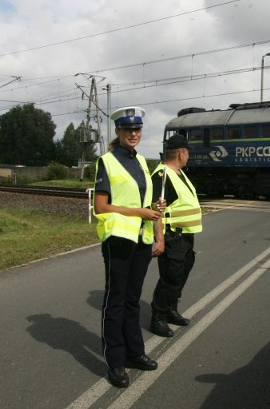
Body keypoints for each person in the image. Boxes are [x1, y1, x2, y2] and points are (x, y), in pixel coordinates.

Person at [93, 106, 165, 388]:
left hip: (141, 240)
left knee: (133, 300)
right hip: (119, 241)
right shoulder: (107, 162)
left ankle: (135, 352)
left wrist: (154, 210)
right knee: (116, 300)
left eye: (137, 129)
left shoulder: (142, 163)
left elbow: (142, 202)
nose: (133, 134)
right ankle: (115, 362)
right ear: (118, 132)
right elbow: (101, 206)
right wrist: (140, 212)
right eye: (128, 130)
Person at [149, 134, 203, 338]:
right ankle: (158, 317)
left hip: (185, 236)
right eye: (187, 152)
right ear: (181, 153)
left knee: (181, 273)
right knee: (170, 277)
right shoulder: (162, 175)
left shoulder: (178, 173)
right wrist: (160, 239)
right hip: (172, 236)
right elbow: (156, 210)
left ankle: (171, 309)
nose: (188, 156)